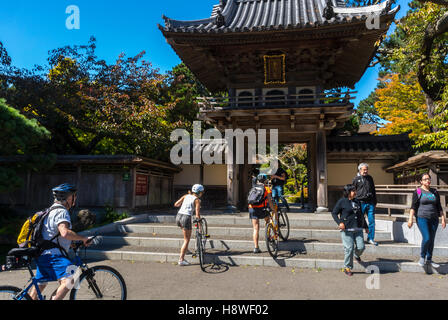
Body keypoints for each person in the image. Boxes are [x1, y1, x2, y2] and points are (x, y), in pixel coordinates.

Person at [29, 183, 91, 300]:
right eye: (74, 196)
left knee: (40, 285)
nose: (75, 199)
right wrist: (83, 238)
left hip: (42, 255)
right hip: (54, 257)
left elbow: (52, 234)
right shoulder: (62, 211)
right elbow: (64, 232)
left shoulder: (49, 210)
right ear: (69, 198)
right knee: (71, 279)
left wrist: (70, 243)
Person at [408, 173, 446, 268]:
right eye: (425, 179)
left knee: (432, 240)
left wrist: (443, 219)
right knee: (427, 238)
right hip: (422, 218)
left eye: (428, 179)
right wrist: (410, 219)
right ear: (421, 181)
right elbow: (413, 206)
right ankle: (422, 257)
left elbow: (439, 207)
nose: (427, 180)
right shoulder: (418, 191)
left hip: (434, 219)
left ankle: (429, 259)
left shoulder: (434, 191)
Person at [331, 184, 368, 277]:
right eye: (353, 191)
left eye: (355, 190)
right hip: (347, 229)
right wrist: (339, 223)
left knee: (361, 247)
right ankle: (347, 267)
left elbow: (361, 215)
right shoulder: (342, 201)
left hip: (358, 228)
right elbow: (334, 213)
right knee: (349, 249)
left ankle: (356, 255)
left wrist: (366, 226)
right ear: (348, 192)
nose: (355, 192)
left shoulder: (357, 201)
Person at [174, 184, 204, 266]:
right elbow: (197, 215)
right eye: (202, 192)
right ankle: (181, 259)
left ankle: (186, 250)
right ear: (199, 192)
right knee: (186, 240)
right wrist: (200, 225)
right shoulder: (197, 200)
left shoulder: (186, 196)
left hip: (178, 216)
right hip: (186, 217)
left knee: (185, 235)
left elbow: (176, 204)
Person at [249, 174, 277, 253]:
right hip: (262, 209)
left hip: (252, 208)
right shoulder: (267, 188)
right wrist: (273, 210)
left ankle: (256, 248)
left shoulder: (253, 187)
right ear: (265, 181)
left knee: (255, 228)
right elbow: (270, 202)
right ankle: (269, 237)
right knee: (268, 220)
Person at [352, 163, 378, 246]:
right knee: (359, 221)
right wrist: (353, 202)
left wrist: (375, 202)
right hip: (360, 202)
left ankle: (371, 238)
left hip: (370, 202)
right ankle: (358, 238)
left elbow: (373, 190)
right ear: (360, 170)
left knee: (371, 221)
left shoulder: (370, 178)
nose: (366, 171)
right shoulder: (356, 179)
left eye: (367, 169)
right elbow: (353, 191)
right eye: (364, 170)